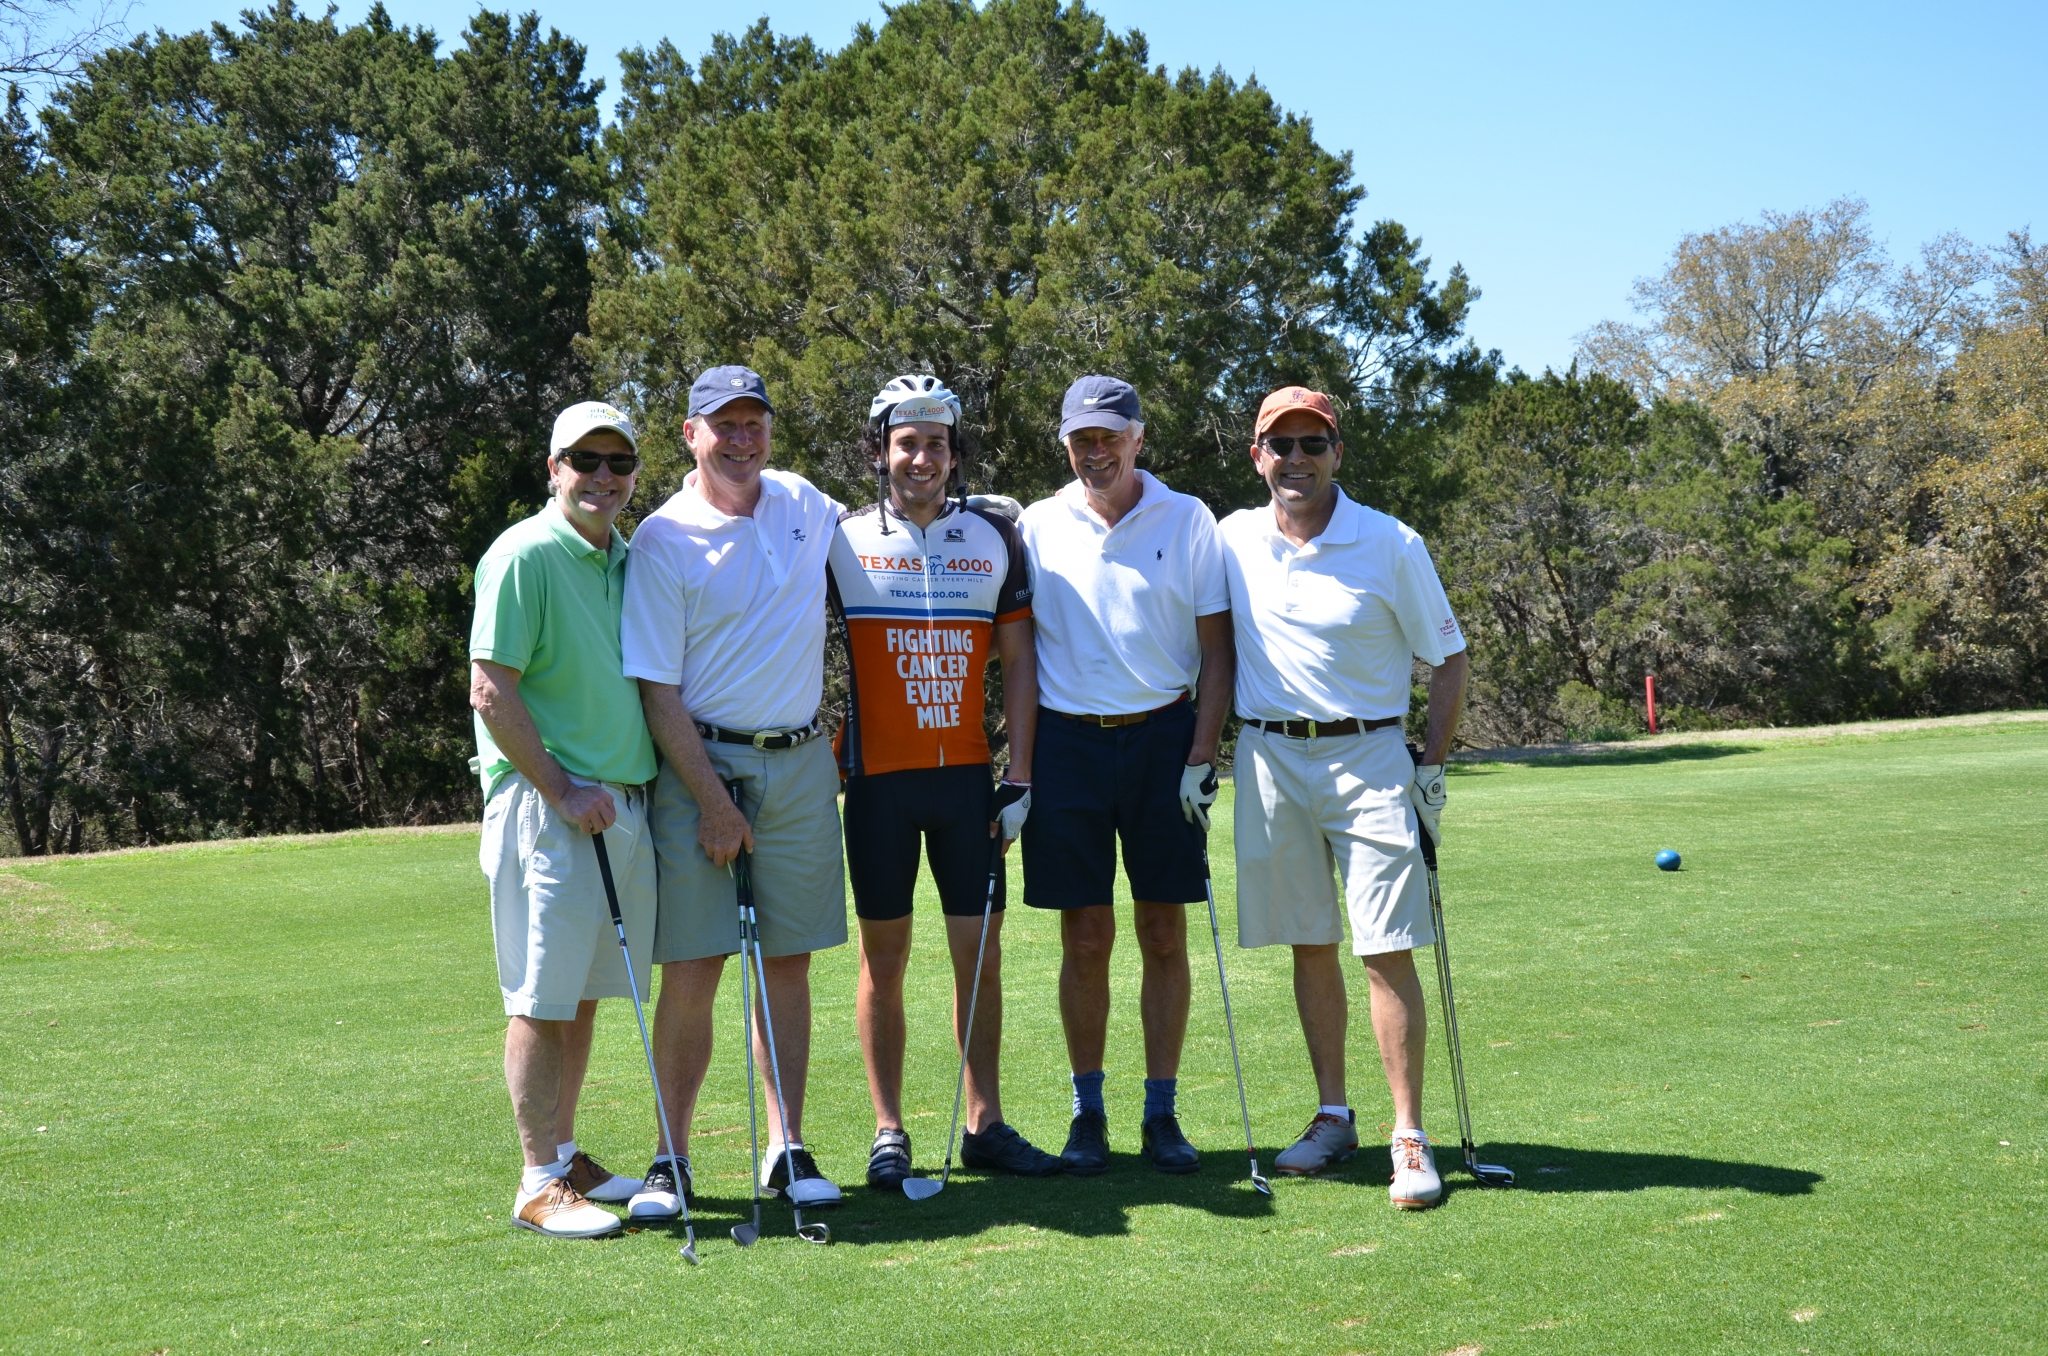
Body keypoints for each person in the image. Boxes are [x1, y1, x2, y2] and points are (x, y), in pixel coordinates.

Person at [1217, 385, 1469, 1210]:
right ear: (1257, 455)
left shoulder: (1390, 541)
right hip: (1267, 758)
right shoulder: (1230, 538)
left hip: (1369, 757)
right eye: (1280, 445)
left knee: (1386, 945)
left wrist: (1431, 765)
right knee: (1309, 941)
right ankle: (1334, 1116)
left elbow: (1448, 657)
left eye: (1312, 444)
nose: (1296, 460)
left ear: (1336, 454)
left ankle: (1409, 1134)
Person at [618, 366, 847, 1217]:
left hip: (800, 763)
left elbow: (892, 527)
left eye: (755, 423)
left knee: (787, 961)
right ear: (691, 435)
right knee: (695, 962)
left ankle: (786, 1147)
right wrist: (713, 802)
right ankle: (670, 1158)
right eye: (725, 425)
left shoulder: (803, 502)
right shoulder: (663, 539)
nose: (742, 440)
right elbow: (656, 689)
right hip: (702, 766)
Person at [829, 375, 1063, 1187]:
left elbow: (1020, 663)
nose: (921, 458)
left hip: (967, 784)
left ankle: (984, 1122)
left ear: (955, 454)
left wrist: (1020, 773)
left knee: (980, 957)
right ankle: (887, 1129)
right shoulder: (840, 538)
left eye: (936, 444)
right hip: (878, 786)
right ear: (880, 451)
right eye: (907, 443)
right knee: (883, 961)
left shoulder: (994, 537)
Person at [1017, 374, 1234, 1176]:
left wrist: (1202, 756)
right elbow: (1016, 654)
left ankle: (1161, 1111)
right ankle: (1088, 1112)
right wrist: (1020, 771)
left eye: (1110, 436)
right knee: (1084, 935)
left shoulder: (1188, 518)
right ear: (1065, 443)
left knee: (1163, 931)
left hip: (1163, 739)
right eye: (1083, 438)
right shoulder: (1037, 524)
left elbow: (1217, 651)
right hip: (1067, 745)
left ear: (1139, 438)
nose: (1096, 451)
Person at [468, 400, 659, 1238]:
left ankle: (565, 1152)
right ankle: (536, 1179)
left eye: (619, 463)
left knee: (580, 995)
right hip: (550, 806)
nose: (603, 477)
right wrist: (561, 789)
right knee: (542, 997)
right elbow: (490, 691)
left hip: (612, 804)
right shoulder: (524, 554)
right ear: (554, 469)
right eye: (585, 461)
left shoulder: (627, 558)